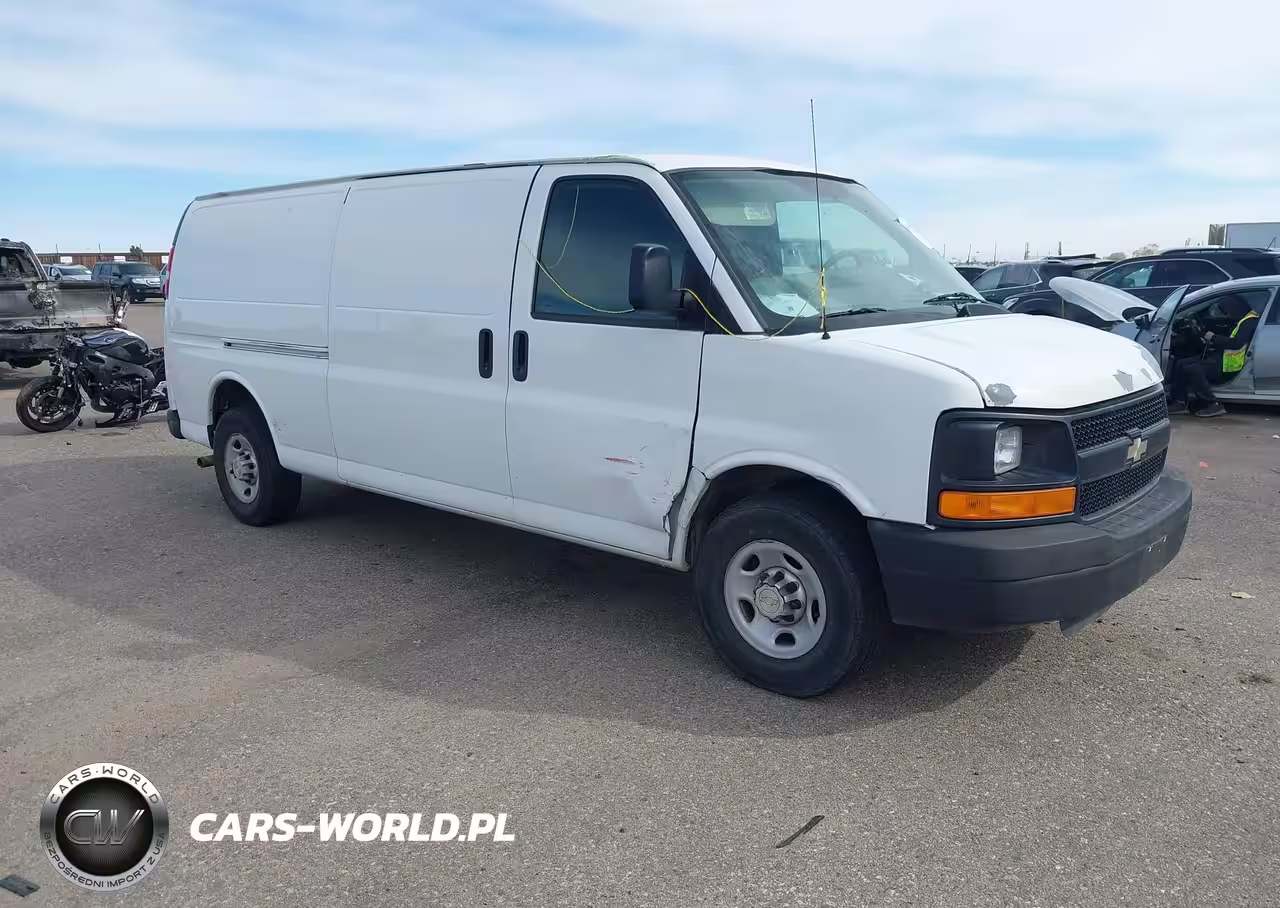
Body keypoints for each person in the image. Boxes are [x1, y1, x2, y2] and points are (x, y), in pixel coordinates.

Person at [1167, 296, 1260, 417]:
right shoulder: (1243, 318)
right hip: (1223, 357)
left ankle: (1211, 404)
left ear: (1236, 308)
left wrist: (1213, 338)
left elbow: (1237, 343)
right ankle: (1180, 402)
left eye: (1228, 311)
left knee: (1193, 370)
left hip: (1229, 364)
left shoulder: (1249, 322)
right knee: (1181, 364)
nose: (1228, 315)